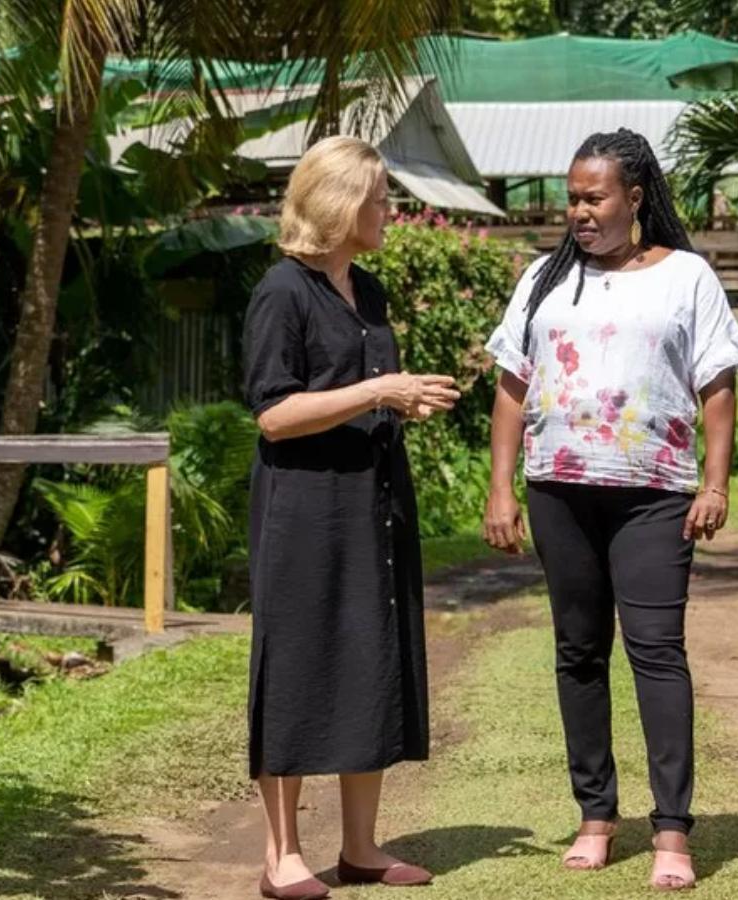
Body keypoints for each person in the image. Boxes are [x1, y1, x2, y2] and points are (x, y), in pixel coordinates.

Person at [483, 128, 738, 892]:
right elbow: (511, 385)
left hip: (654, 493)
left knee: (656, 650)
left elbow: (718, 386)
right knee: (577, 651)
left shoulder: (687, 277)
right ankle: (596, 815)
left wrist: (716, 484)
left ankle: (671, 830)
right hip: (559, 490)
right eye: (571, 197)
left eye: (593, 196)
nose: (578, 210)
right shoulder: (543, 278)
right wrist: (501, 487)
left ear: (634, 198)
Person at [242, 136, 461, 899]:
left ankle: (362, 848)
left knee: (370, 657)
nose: (387, 209)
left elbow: (367, 387)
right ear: (338, 205)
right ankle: (282, 857)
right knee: (298, 665)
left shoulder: (365, 290)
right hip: (304, 511)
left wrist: (405, 399)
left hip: (372, 496)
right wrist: (379, 392)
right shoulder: (281, 291)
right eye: (377, 197)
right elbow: (274, 413)